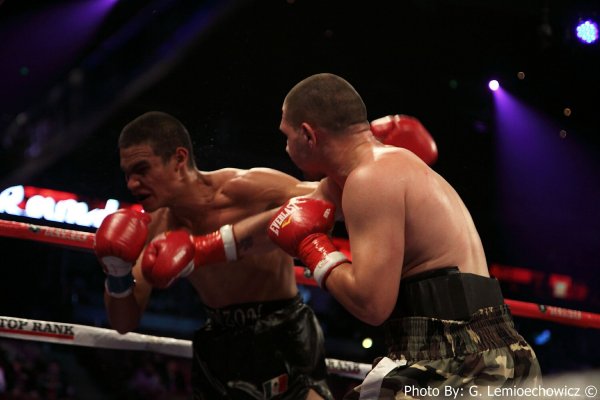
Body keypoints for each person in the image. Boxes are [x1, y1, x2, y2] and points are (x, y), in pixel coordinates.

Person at [265, 73, 542, 399]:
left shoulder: (369, 178)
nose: (285, 146)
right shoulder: (379, 167)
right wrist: (222, 243)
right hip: (485, 348)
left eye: (286, 136)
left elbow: (372, 305)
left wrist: (311, 248)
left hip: (460, 356)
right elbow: (288, 206)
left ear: (308, 135)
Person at [93, 111, 334, 400]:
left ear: (179, 160)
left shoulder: (246, 189)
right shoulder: (155, 228)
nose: (132, 184)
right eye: (128, 174)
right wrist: (117, 273)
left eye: (142, 169)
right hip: (219, 345)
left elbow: (327, 199)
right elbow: (124, 323)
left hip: (284, 330)